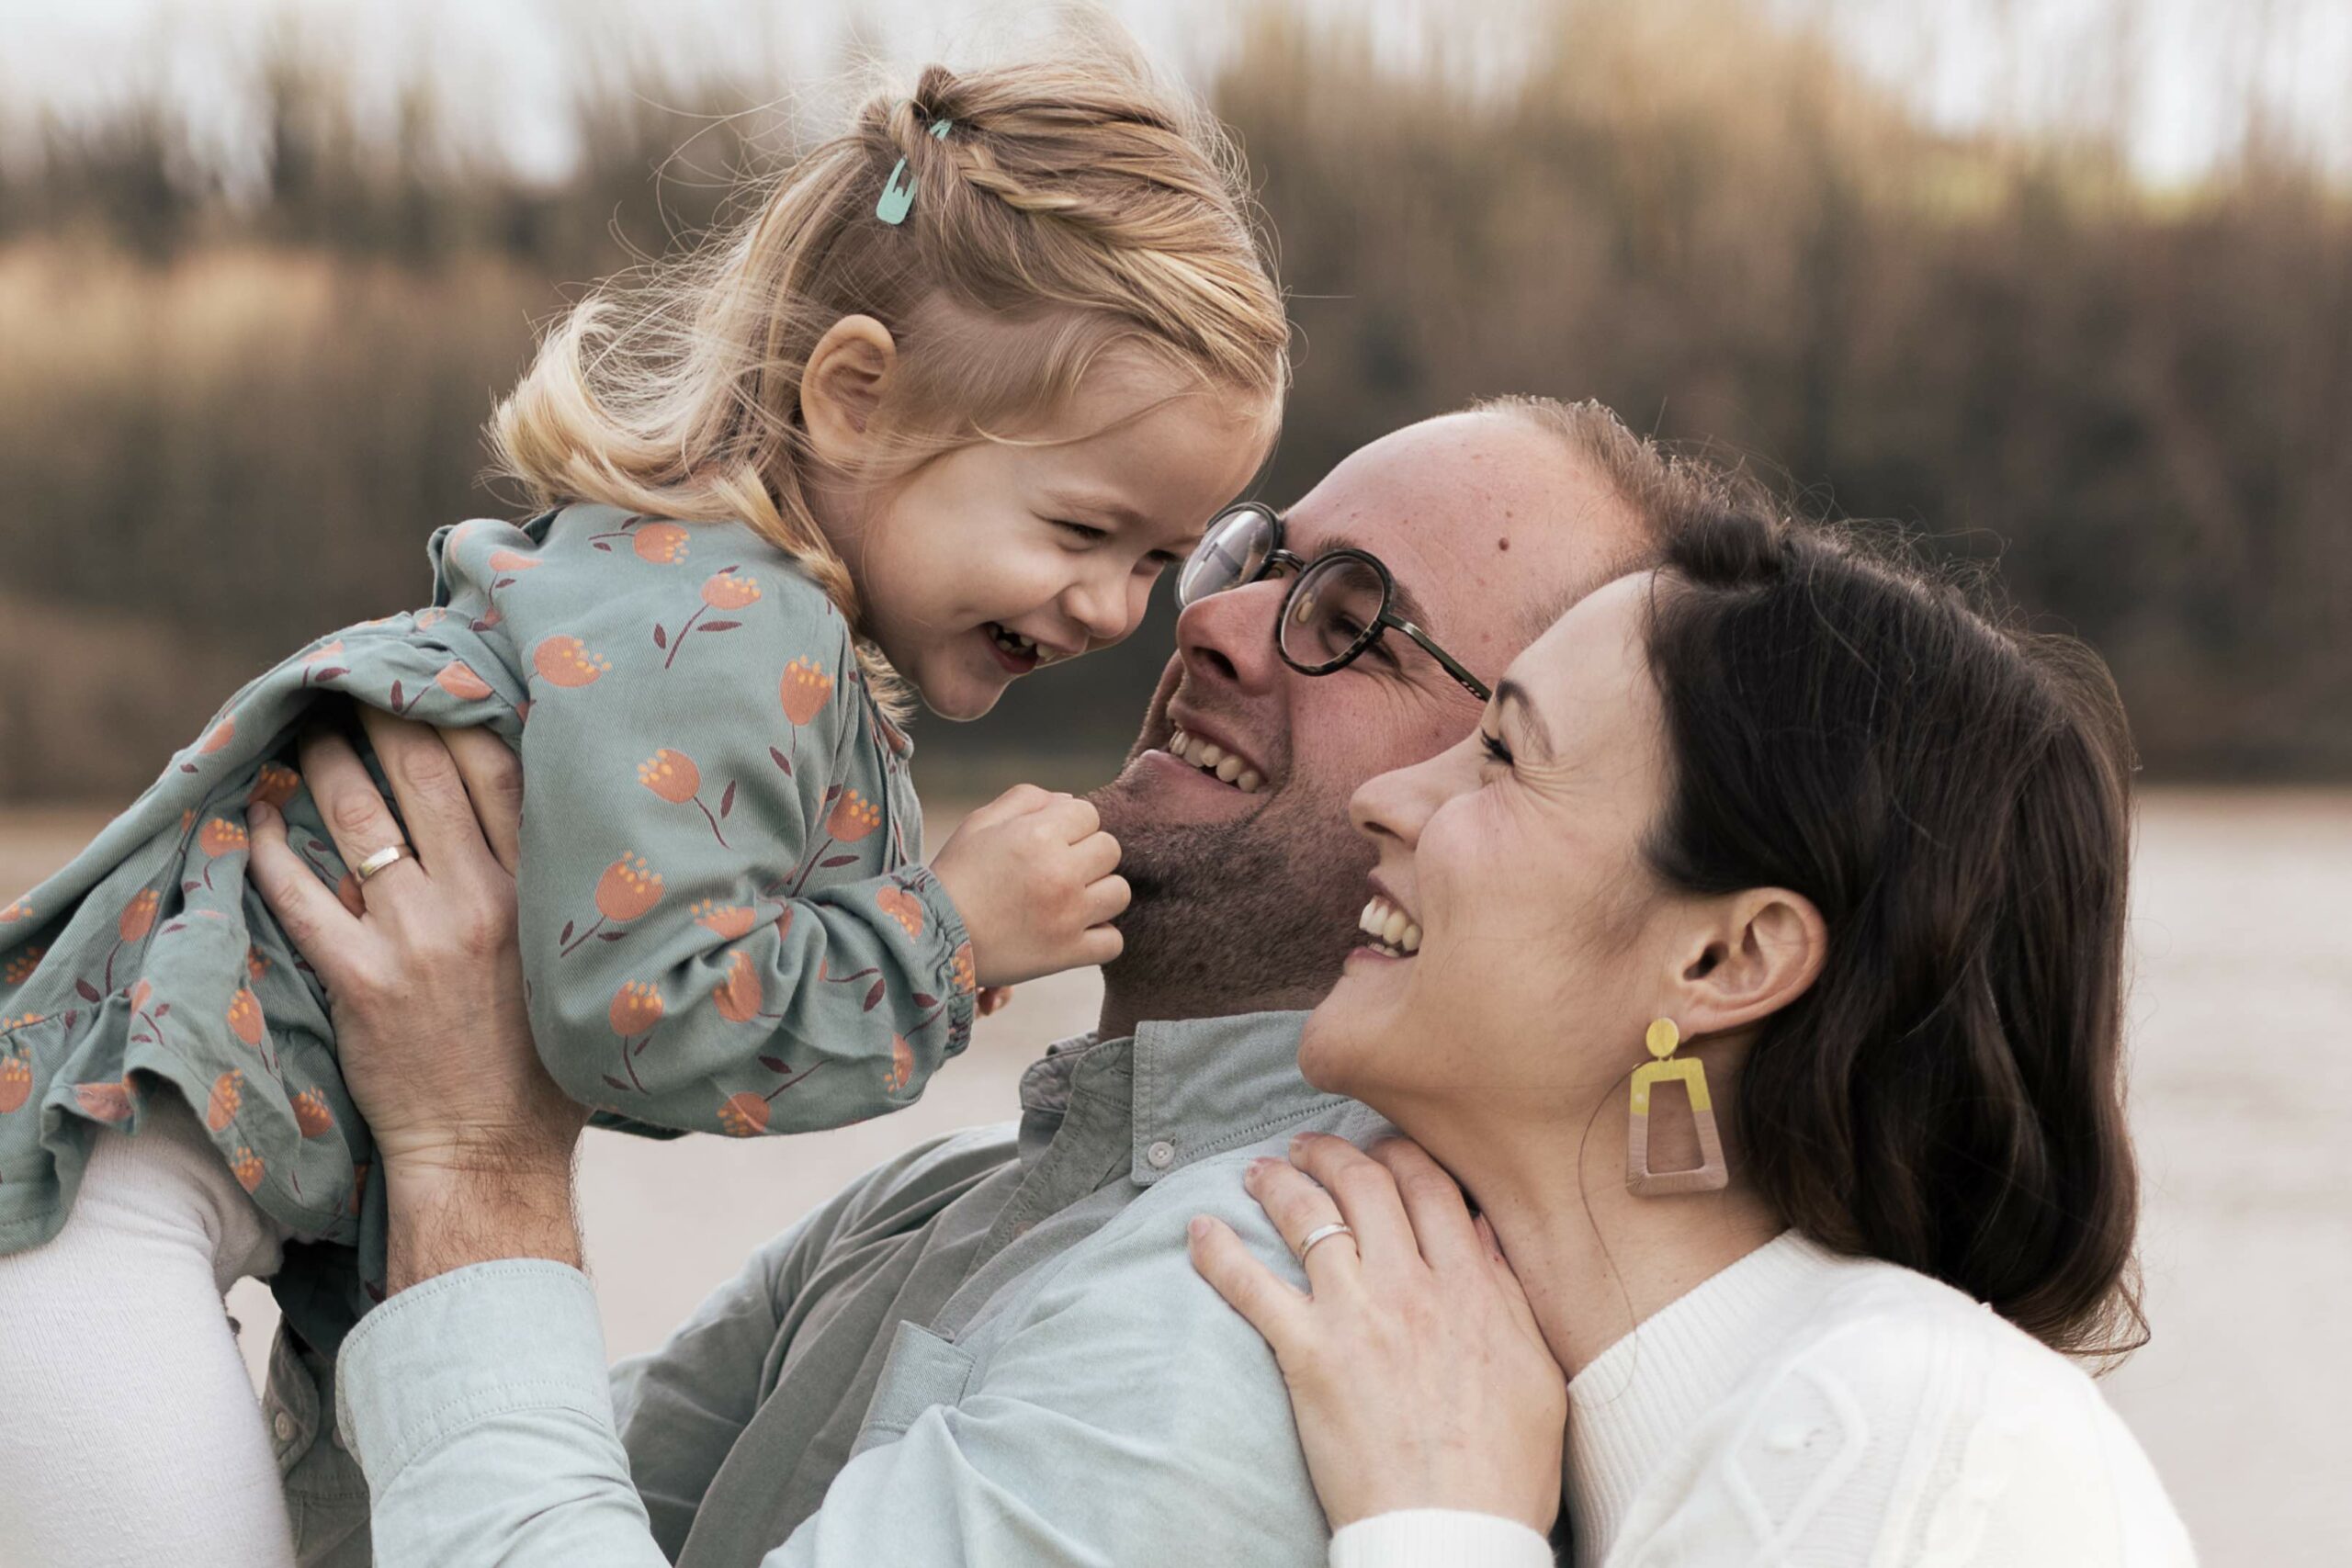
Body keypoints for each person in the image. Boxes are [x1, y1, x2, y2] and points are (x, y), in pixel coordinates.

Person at [0, 46, 1285, 1568]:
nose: (1111, 607)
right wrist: (951, 933)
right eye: (1083, 527)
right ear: (856, 399)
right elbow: (636, 1014)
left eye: (1159, 557)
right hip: (101, 1207)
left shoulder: (698, 604)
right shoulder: (734, 629)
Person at [250, 397, 1687, 1565]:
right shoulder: (941, 1199)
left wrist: (472, 1158)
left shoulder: (1280, 1310)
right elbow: (440, 1519)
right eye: (1255, 556)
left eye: (1352, 615)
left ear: (1525, 784)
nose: (1213, 618)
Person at [1191, 507, 2199, 1564]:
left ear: (1728, 961)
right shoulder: (1507, 1418)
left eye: (1500, 755)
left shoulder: (1938, 1441)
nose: (1382, 798)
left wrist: (1440, 1524)